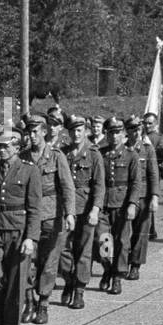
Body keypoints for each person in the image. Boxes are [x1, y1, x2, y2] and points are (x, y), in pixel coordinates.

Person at [0, 129, 41, 325]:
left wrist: (31, 237)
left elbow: (35, 208)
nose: (2, 150)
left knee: (17, 280)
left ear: (17, 148)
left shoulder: (29, 170)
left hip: (19, 231)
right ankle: (0, 312)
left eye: (6, 146)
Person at [21, 114, 74, 325]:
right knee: (27, 260)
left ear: (44, 131)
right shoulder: (23, 157)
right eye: (29, 132)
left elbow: (67, 186)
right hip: (29, 217)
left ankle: (43, 303)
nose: (32, 136)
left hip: (52, 215)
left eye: (36, 131)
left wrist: (70, 213)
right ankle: (29, 300)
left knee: (50, 262)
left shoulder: (56, 156)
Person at [58, 114, 105, 310]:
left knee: (85, 251)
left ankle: (79, 290)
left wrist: (95, 210)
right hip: (66, 209)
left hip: (86, 209)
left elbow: (99, 185)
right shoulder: (63, 153)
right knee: (62, 249)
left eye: (79, 130)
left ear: (85, 131)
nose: (76, 134)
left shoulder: (94, 154)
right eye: (72, 131)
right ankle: (69, 279)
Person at [97, 116, 139, 293]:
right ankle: (107, 269)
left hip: (122, 205)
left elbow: (136, 182)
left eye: (117, 133)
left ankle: (117, 277)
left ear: (123, 134)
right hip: (104, 205)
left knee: (122, 242)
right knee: (102, 240)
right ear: (106, 135)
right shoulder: (100, 154)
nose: (114, 136)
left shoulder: (131, 155)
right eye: (110, 133)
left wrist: (132, 204)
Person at [126, 114, 161, 279]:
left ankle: (135, 265)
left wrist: (154, 196)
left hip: (144, 196)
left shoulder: (147, 148)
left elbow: (154, 174)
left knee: (141, 232)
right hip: (125, 196)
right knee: (122, 233)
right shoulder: (123, 147)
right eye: (132, 129)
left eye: (138, 128)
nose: (136, 132)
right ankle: (121, 260)